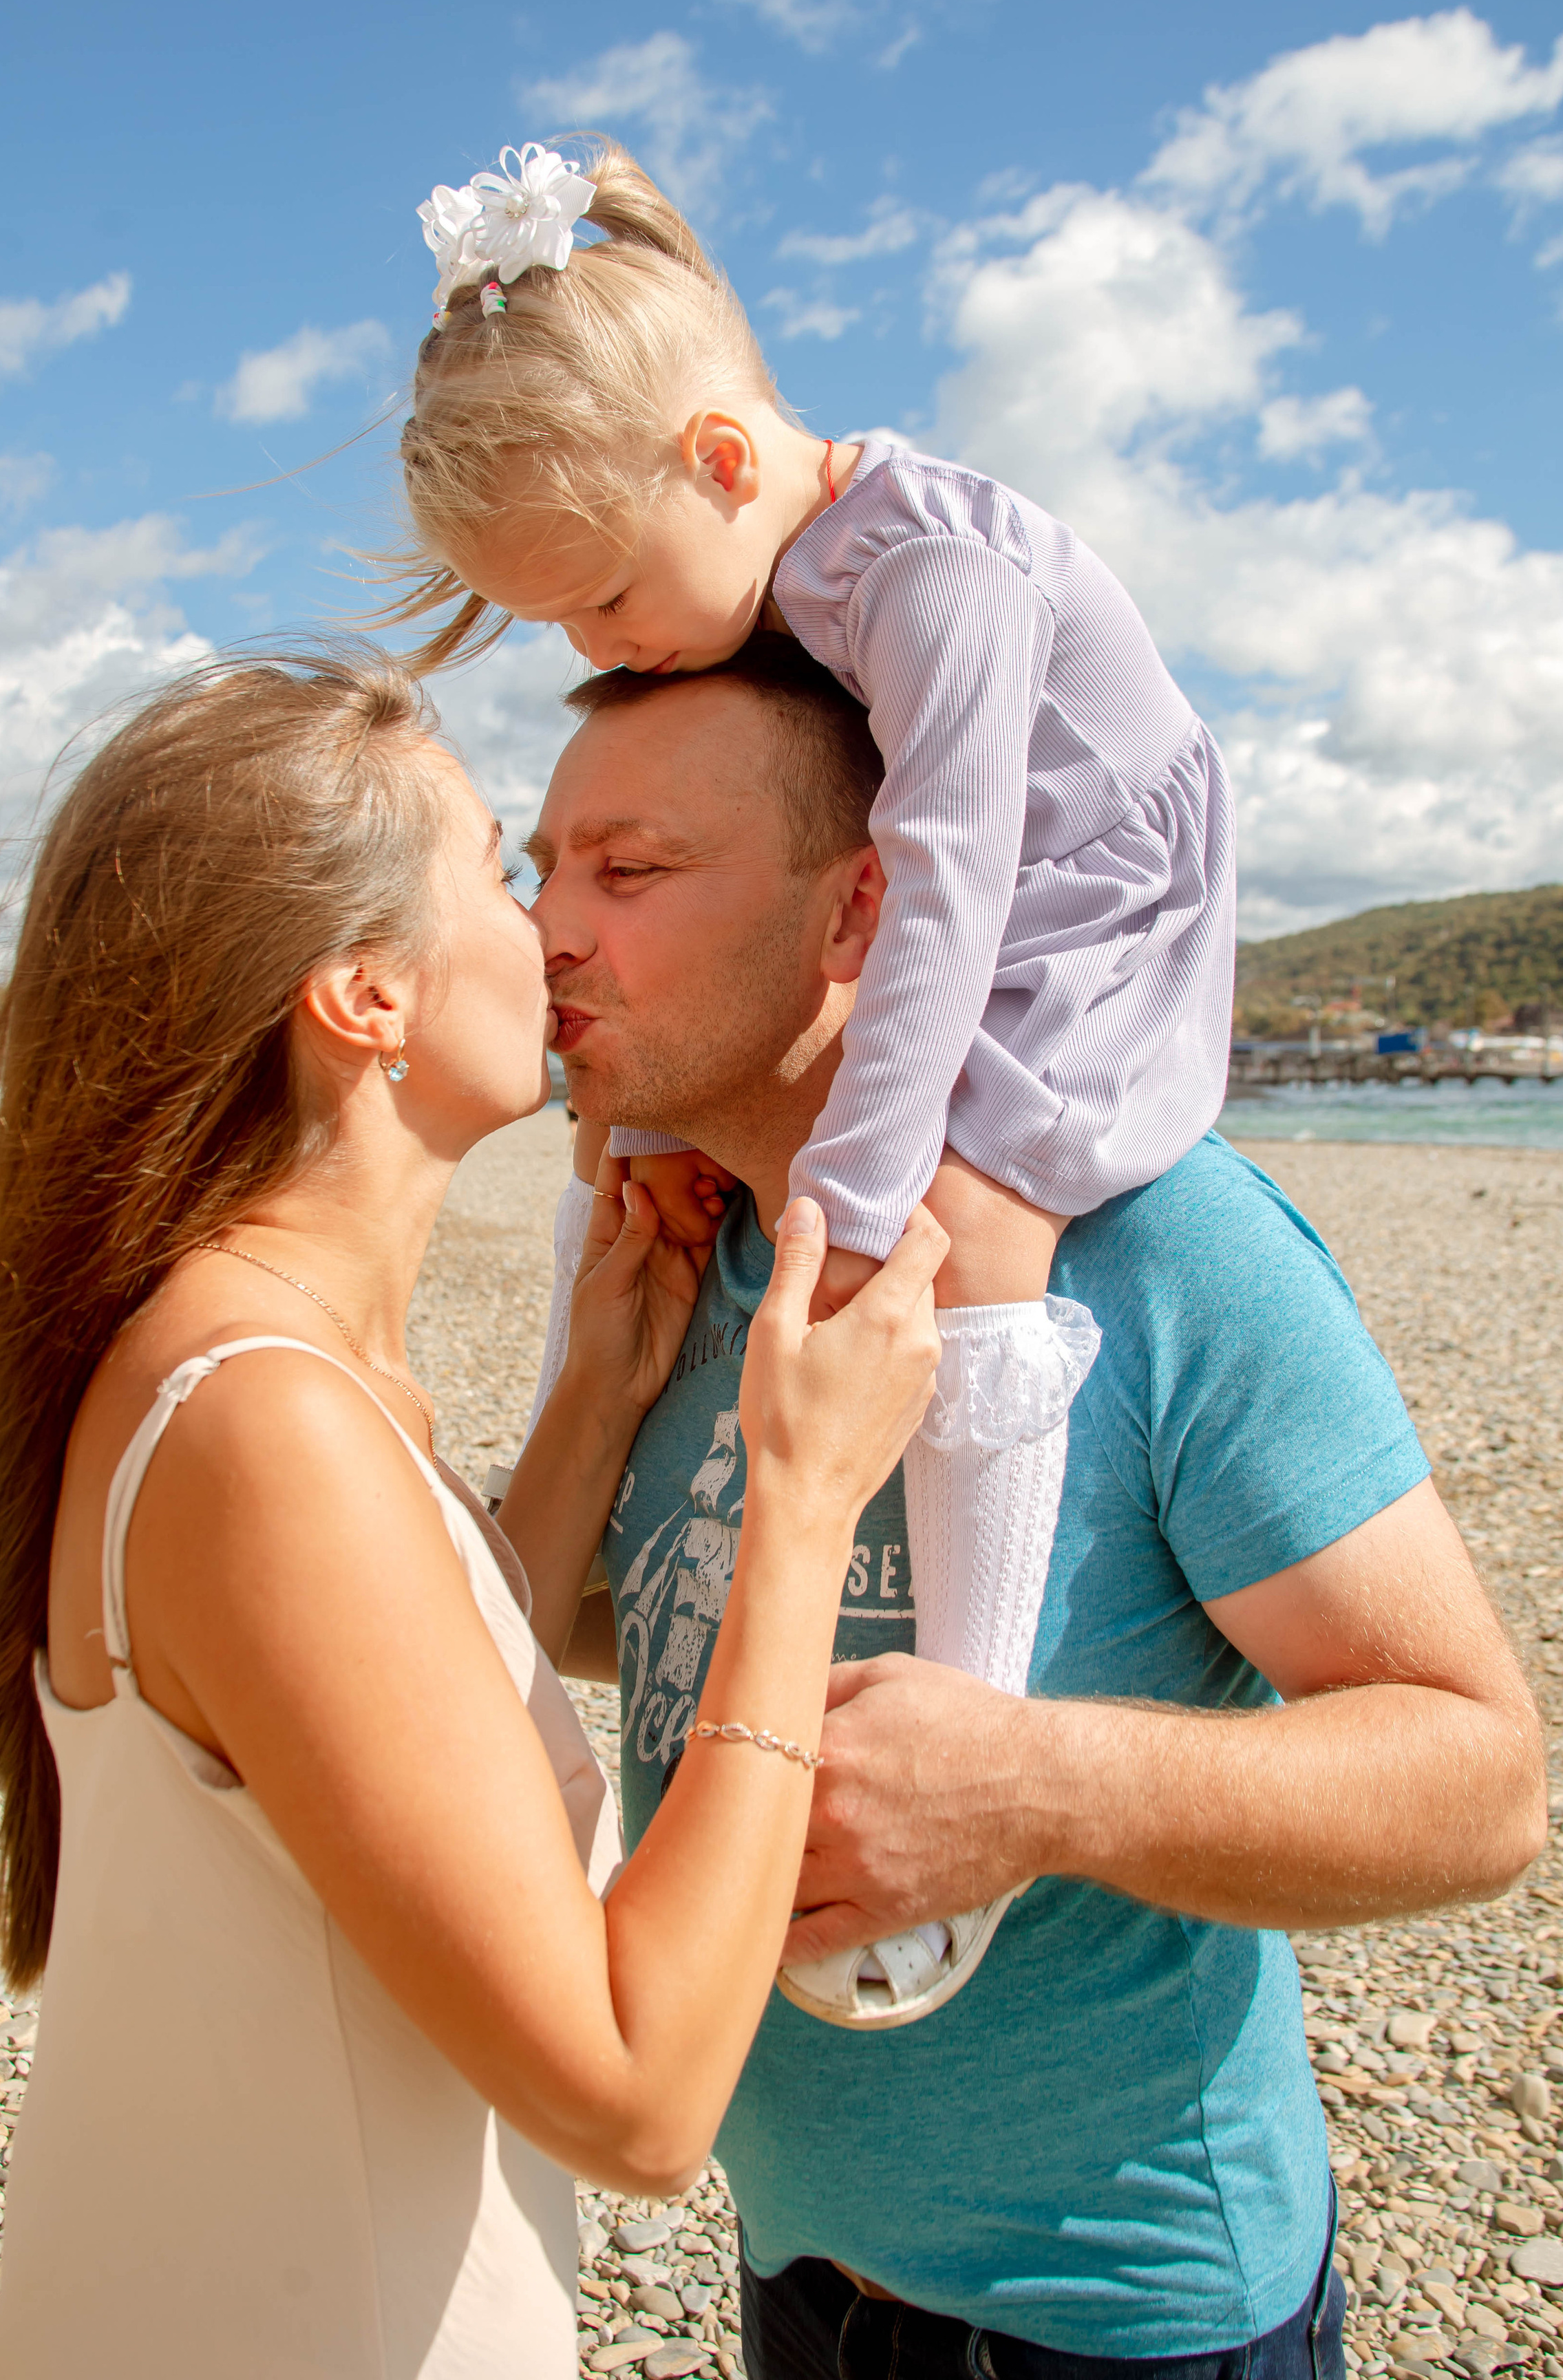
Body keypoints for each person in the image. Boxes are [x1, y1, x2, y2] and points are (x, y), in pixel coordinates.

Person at [520, 640, 1547, 2377]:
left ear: (862, 918)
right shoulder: (687, 1254)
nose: (550, 928)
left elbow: (1481, 1783)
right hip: (797, 2268)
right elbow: (644, 1622)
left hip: (1126, 2319)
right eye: (536, 867)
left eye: (626, 872)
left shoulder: (1155, 1249)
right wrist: (596, 1398)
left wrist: (1035, 1788)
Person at [0, 647, 946, 2380]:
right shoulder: (266, 1428)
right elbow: (634, 2101)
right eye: (499, 867)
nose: (551, 927)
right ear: (363, 997)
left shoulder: (229, 1352)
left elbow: (390, 1729)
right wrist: (800, 1502)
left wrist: (597, 1396)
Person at [394, 136, 1235, 2020]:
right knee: (652, 1185)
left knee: (969, 1214)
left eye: (604, 596)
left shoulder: (923, 571)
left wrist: (858, 1174)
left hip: (1088, 902)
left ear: (718, 459)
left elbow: (941, 875)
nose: (602, 648)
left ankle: (971, 1733)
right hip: (971, 896)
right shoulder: (771, 579)